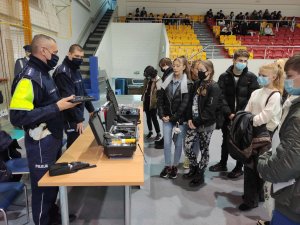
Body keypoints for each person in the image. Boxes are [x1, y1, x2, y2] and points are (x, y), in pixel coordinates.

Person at [9, 34, 78, 225]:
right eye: (55, 52)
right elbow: (17, 117)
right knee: (42, 188)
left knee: (53, 184)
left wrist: (63, 104)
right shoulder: (28, 78)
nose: (57, 56)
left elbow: (45, 103)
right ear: (43, 51)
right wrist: (57, 107)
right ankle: (42, 221)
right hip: (40, 142)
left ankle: (54, 217)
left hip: (53, 138)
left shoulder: (44, 74)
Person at [257, 55, 300, 225]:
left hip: (293, 202)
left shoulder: (298, 117)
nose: (286, 80)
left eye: (290, 76)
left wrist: (262, 163)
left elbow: (284, 166)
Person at [209, 49, 259, 179]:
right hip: (228, 116)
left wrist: (241, 115)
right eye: (240, 60)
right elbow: (220, 97)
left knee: (241, 143)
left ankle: (238, 168)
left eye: (245, 61)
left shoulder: (251, 78)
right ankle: (222, 163)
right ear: (234, 60)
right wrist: (229, 113)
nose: (242, 63)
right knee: (225, 141)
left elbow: (253, 98)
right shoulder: (224, 77)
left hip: (243, 117)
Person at [240, 62, 284, 211]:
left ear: (273, 77)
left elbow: (264, 117)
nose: (260, 78)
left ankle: (256, 196)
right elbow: (247, 110)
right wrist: (247, 119)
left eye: (264, 76)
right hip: (252, 132)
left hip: (265, 136)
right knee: (249, 166)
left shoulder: (275, 95)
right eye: (259, 75)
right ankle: (249, 197)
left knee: (260, 168)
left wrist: (248, 120)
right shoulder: (256, 92)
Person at [184, 60, 221, 187]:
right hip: (192, 122)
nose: (197, 72)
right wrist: (189, 118)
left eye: (201, 70)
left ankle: (200, 173)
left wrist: (196, 121)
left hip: (205, 125)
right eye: (197, 69)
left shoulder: (214, 87)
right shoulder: (197, 83)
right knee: (188, 146)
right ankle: (193, 167)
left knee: (204, 149)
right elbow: (190, 102)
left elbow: (209, 110)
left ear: (208, 71)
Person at [157, 56, 193, 179]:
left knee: (178, 144)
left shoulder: (188, 84)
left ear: (184, 67)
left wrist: (172, 118)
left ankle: (175, 166)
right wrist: (162, 115)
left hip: (179, 120)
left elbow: (184, 105)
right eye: (174, 65)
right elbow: (160, 100)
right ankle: (167, 166)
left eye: (178, 65)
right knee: (167, 143)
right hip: (166, 117)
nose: (175, 68)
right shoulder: (166, 81)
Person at [53, 44, 95, 148]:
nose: (79, 59)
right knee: (74, 144)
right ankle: (70, 163)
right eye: (76, 56)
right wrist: (79, 119)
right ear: (69, 54)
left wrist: (91, 109)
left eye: (81, 57)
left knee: (78, 141)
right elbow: (70, 99)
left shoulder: (75, 70)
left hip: (76, 113)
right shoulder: (63, 72)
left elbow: (83, 92)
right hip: (68, 116)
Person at [154, 57, 173, 149]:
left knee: (167, 126)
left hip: (167, 104)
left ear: (164, 64)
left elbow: (164, 89)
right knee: (166, 126)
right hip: (166, 103)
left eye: (161, 65)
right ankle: (164, 141)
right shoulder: (167, 73)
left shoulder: (169, 74)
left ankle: (165, 143)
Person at [141, 66, 162, 141]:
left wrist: (157, 103)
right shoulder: (148, 79)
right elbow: (145, 89)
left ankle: (158, 133)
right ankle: (150, 131)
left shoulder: (158, 80)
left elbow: (160, 94)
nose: (147, 76)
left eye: (148, 75)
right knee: (148, 118)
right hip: (146, 101)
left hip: (153, 103)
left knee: (154, 118)